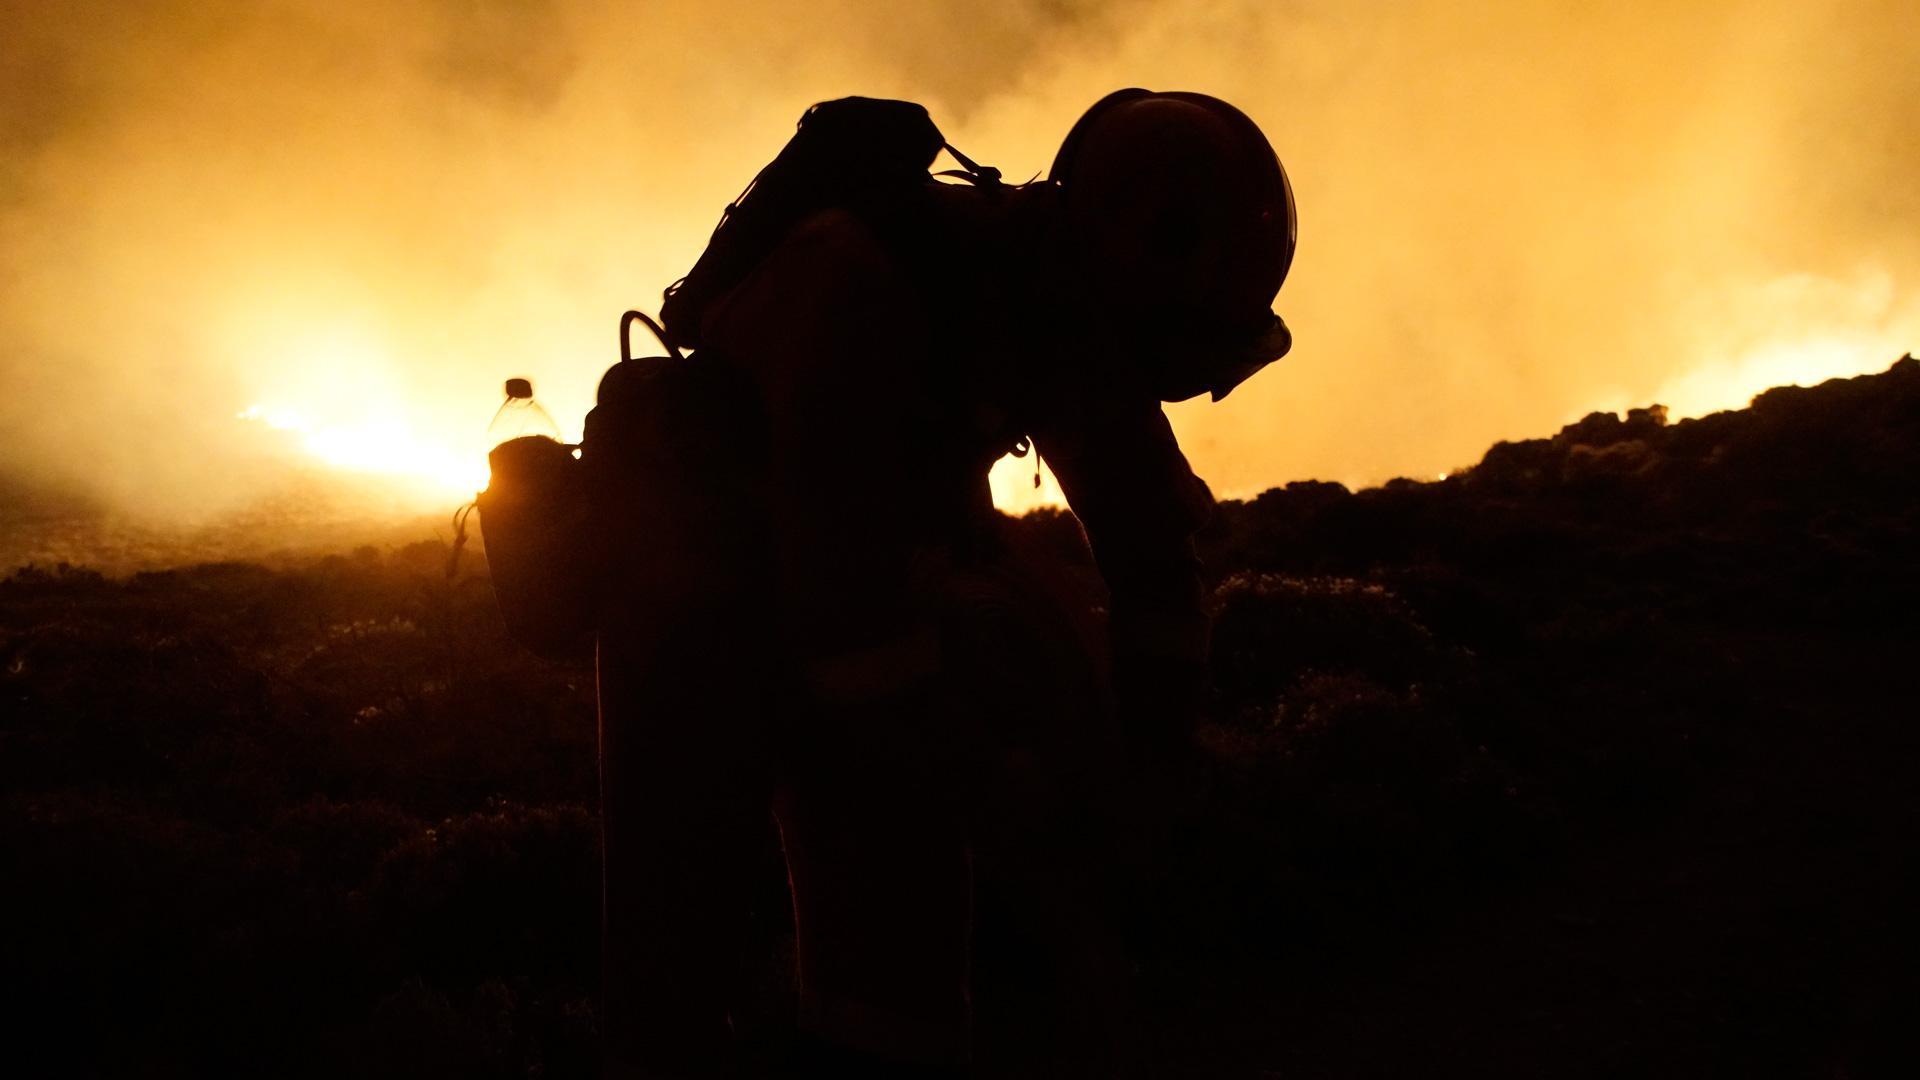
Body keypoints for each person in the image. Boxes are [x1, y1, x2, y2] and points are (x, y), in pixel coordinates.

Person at [594, 88, 1296, 1078]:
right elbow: (842, 599)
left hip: (871, 605)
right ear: (1095, 258)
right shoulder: (861, 283)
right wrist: (994, 783)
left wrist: (1152, 771)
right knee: (674, 980)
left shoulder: (1073, 309)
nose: (1132, 379)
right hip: (692, 615)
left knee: (896, 982)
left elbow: (1148, 552)